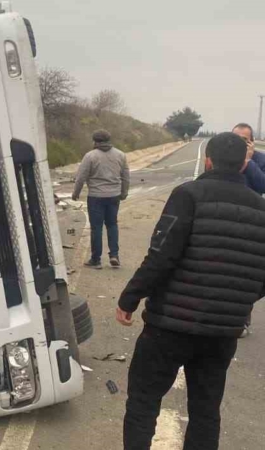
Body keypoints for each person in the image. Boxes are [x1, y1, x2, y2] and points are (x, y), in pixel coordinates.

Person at [116, 132, 265, 450]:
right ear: (243, 165)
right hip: (222, 332)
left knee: (143, 403)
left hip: (169, 326)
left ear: (208, 160)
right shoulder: (260, 209)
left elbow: (162, 255)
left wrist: (130, 297)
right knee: (205, 412)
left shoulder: (188, 195)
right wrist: (236, 300)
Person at [72, 129, 130, 269]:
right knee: (112, 225)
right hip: (114, 196)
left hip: (96, 197)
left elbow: (81, 177)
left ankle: (96, 259)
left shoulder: (90, 156)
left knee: (96, 228)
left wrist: (76, 193)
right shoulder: (120, 155)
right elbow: (125, 176)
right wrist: (124, 192)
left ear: (95, 141)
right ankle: (114, 255)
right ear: (109, 140)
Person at [230, 123, 262, 338]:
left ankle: (242, 319)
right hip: (226, 218)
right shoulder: (223, 155)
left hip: (252, 222)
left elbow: (262, 185)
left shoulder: (259, 160)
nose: (240, 142)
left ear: (251, 140)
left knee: (245, 275)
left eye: (245, 139)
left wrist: (248, 160)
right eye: (236, 138)